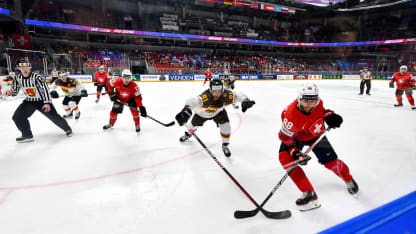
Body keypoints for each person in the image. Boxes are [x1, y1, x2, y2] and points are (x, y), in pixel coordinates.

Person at [278, 83, 358, 211]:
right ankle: (308, 192)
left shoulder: (318, 103)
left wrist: (329, 115)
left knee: (331, 163)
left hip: (315, 135)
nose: (309, 105)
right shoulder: (290, 116)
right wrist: (295, 153)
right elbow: (286, 137)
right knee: (285, 158)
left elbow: (322, 111)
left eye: (313, 101)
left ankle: (348, 179)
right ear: (299, 99)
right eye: (305, 101)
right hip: (295, 137)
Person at [175, 78, 255, 157]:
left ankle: (225, 145)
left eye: (219, 90)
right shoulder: (205, 97)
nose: (217, 93)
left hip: (218, 112)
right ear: (210, 89)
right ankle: (188, 134)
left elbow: (239, 95)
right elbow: (192, 100)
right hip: (202, 114)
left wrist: (245, 100)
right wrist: (187, 109)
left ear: (222, 89)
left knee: (226, 127)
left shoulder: (226, 95)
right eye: (214, 91)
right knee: (192, 126)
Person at [5, 58, 72, 143]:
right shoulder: (18, 78)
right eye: (22, 67)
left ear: (29, 67)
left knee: (54, 117)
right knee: (17, 117)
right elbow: (15, 92)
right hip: (29, 101)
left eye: (26, 67)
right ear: (18, 68)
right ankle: (27, 135)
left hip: (42, 101)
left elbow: (45, 90)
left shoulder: (37, 77)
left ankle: (67, 129)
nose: (25, 69)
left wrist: (47, 103)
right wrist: (9, 92)